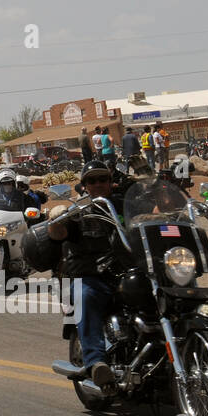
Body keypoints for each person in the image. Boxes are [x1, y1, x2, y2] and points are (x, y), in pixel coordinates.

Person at [45, 159, 128, 391]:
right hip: (92, 276)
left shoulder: (125, 205)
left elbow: (150, 217)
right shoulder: (79, 211)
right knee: (86, 295)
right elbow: (57, 234)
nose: (98, 184)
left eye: (103, 179)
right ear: (85, 186)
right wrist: (56, 218)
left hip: (127, 272)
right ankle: (96, 362)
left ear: (111, 182)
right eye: (92, 180)